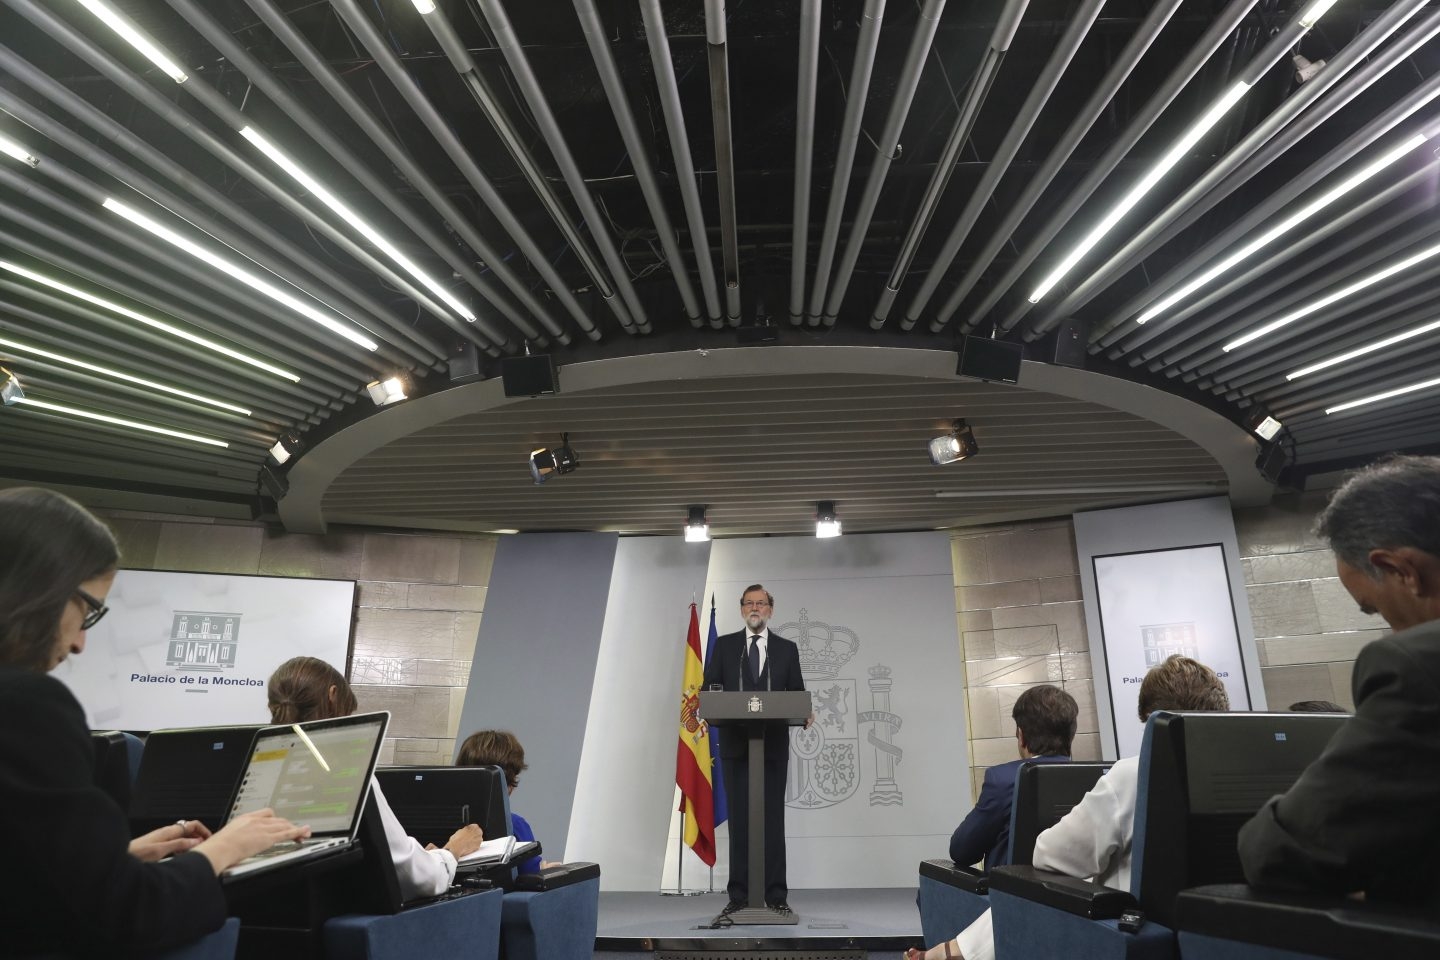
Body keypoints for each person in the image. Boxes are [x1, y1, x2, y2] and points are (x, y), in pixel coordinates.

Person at [0, 487, 309, 956]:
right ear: (43, 588)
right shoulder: (28, 706)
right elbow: (130, 914)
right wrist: (223, 849)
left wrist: (118, 860)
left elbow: (23, 883)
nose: (81, 642)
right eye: (87, 610)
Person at [907, 655, 1230, 960]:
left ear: (1155, 721)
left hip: (1124, 930)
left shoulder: (1135, 773)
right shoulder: (1243, 775)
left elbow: (1048, 855)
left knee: (1031, 889)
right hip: (1219, 932)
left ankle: (949, 952)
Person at [1239, 454, 1440, 911]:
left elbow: (1282, 851)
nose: (1388, 629)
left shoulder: (1418, 665)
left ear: (1401, 571)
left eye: (1373, 607)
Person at [267, 656, 483, 900]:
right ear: (332, 695)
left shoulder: (263, 767)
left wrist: (427, 858)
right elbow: (413, 879)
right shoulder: (347, 772)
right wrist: (452, 851)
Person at [700, 583, 811, 915]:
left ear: (771, 610)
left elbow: (797, 694)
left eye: (761, 603)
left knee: (772, 822)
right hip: (736, 748)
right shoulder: (724, 646)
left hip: (773, 748)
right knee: (741, 823)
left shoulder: (787, 649)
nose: (755, 608)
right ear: (741, 609)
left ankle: (776, 897)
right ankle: (739, 897)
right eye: (749, 603)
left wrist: (806, 711)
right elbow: (709, 691)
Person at [949, 684, 1078, 871]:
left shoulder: (1004, 779)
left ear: (1021, 736)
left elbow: (962, 851)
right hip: (1078, 895)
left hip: (1011, 897)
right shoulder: (1100, 779)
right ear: (1071, 735)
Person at [456, 729, 555, 874]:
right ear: (508, 784)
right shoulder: (514, 824)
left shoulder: (441, 821)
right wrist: (543, 869)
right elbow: (530, 873)